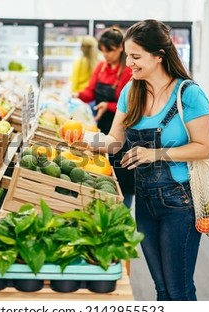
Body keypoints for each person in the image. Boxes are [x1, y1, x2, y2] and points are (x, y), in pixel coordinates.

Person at [62, 19, 209, 301]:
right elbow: (113, 141)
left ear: (159, 55)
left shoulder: (189, 94)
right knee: (162, 288)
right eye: (127, 55)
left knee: (179, 289)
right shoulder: (131, 92)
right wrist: (81, 137)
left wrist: (156, 154)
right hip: (146, 201)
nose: (128, 63)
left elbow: (204, 147)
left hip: (179, 202)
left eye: (135, 56)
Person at [73, 26, 135, 208]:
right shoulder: (101, 68)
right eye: (103, 51)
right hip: (102, 126)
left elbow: (132, 105)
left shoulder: (128, 72)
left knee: (123, 174)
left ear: (121, 48)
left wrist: (108, 105)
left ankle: (123, 210)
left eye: (110, 51)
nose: (106, 55)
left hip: (123, 128)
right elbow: (91, 92)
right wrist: (78, 95)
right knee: (102, 172)